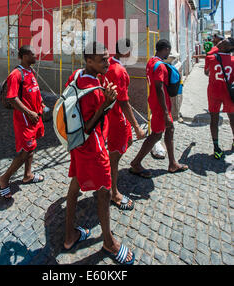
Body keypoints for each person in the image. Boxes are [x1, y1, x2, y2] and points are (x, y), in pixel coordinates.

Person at [63, 42, 135, 265]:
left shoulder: (76, 76)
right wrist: (106, 103)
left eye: (107, 58)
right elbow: (89, 125)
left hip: (76, 143)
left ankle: (69, 236)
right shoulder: (93, 90)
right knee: (104, 192)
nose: (107, 62)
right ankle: (108, 241)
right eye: (102, 60)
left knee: (75, 185)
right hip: (93, 146)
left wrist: (106, 98)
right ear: (89, 61)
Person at [129, 39, 188, 178]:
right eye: (169, 50)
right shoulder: (160, 66)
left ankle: (173, 162)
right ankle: (136, 162)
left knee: (169, 129)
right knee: (156, 134)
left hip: (156, 103)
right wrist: (166, 112)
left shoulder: (151, 62)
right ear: (166, 49)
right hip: (160, 105)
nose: (169, 53)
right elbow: (159, 87)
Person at [0, 45, 45, 199]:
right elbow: (12, 98)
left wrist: (40, 102)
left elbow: (33, 90)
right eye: (32, 54)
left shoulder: (30, 71)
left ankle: (28, 175)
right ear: (24, 56)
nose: (35, 56)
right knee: (26, 150)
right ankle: (4, 179)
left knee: (32, 146)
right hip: (25, 119)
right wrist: (29, 112)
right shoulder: (16, 74)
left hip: (35, 117)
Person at [104, 38, 145, 211]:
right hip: (116, 118)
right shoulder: (118, 69)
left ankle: (109, 176)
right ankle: (113, 191)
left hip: (113, 116)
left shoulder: (109, 65)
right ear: (127, 51)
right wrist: (136, 126)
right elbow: (123, 102)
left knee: (123, 145)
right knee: (114, 155)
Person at [204, 37, 234, 159]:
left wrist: (215, 48)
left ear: (228, 47)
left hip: (214, 92)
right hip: (228, 93)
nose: (220, 42)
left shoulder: (210, 58)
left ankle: (216, 147)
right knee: (232, 118)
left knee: (214, 120)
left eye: (224, 42)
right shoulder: (233, 60)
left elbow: (206, 73)